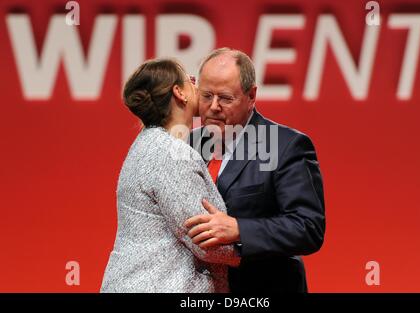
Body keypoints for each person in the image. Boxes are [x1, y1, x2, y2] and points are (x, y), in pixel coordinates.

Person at [185, 48, 326, 292]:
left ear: (251, 96)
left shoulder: (286, 146)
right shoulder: (188, 144)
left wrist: (239, 229)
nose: (213, 107)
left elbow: (308, 227)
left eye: (226, 98)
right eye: (206, 95)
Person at [100, 58, 240, 293]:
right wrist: (258, 244)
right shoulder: (173, 154)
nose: (198, 88)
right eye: (191, 81)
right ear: (179, 92)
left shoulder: (147, 144)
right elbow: (206, 242)